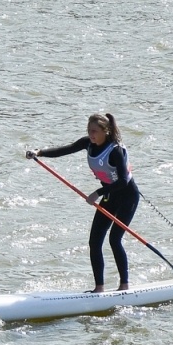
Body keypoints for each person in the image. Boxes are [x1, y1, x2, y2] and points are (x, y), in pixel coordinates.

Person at [25, 113, 138, 293]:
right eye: (89, 131)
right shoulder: (88, 144)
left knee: (114, 239)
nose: (91, 134)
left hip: (127, 196)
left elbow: (123, 181)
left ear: (105, 131)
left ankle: (124, 285)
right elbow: (66, 149)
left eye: (94, 131)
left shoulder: (115, 150)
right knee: (94, 242)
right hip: (110, 197)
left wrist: (97, 192)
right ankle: (99, 288)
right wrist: (40, 153)